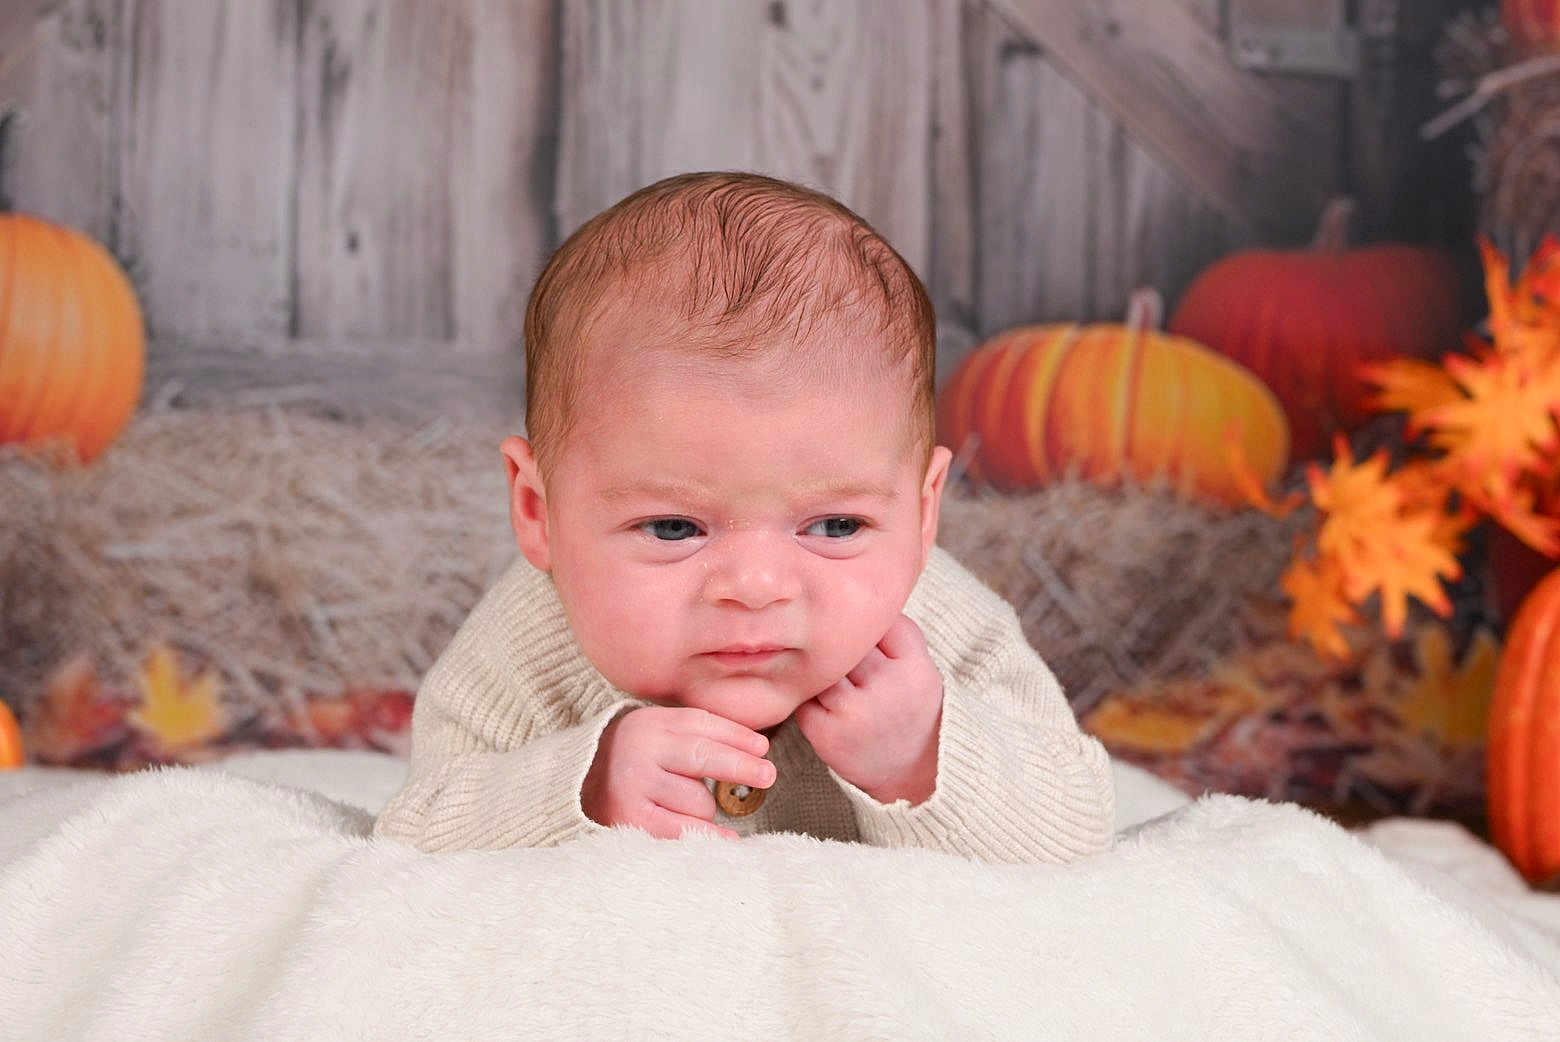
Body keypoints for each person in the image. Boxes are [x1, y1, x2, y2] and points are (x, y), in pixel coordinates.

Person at [374, 171, 1114, 864]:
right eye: (673, 528)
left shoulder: (946, 632)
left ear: (923, 515)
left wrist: (924, 754)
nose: (757, 587)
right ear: (539, 512)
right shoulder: (526, 649)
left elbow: (1079, 827)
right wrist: (582, 788)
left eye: (834, 527)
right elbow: (417, 831)